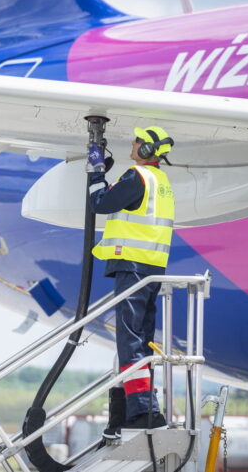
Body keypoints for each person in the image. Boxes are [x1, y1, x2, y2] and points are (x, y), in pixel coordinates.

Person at [89, 126, 175, 438]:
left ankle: (142, 411)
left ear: (147, 150)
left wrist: (96, 173)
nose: (133, 143)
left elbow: (100, 204)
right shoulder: (160, 182)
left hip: (133, 267)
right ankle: (145, 407)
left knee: (130, 341)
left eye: (138, 141)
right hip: (152, 270)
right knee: (142, 340)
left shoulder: (138, 176)